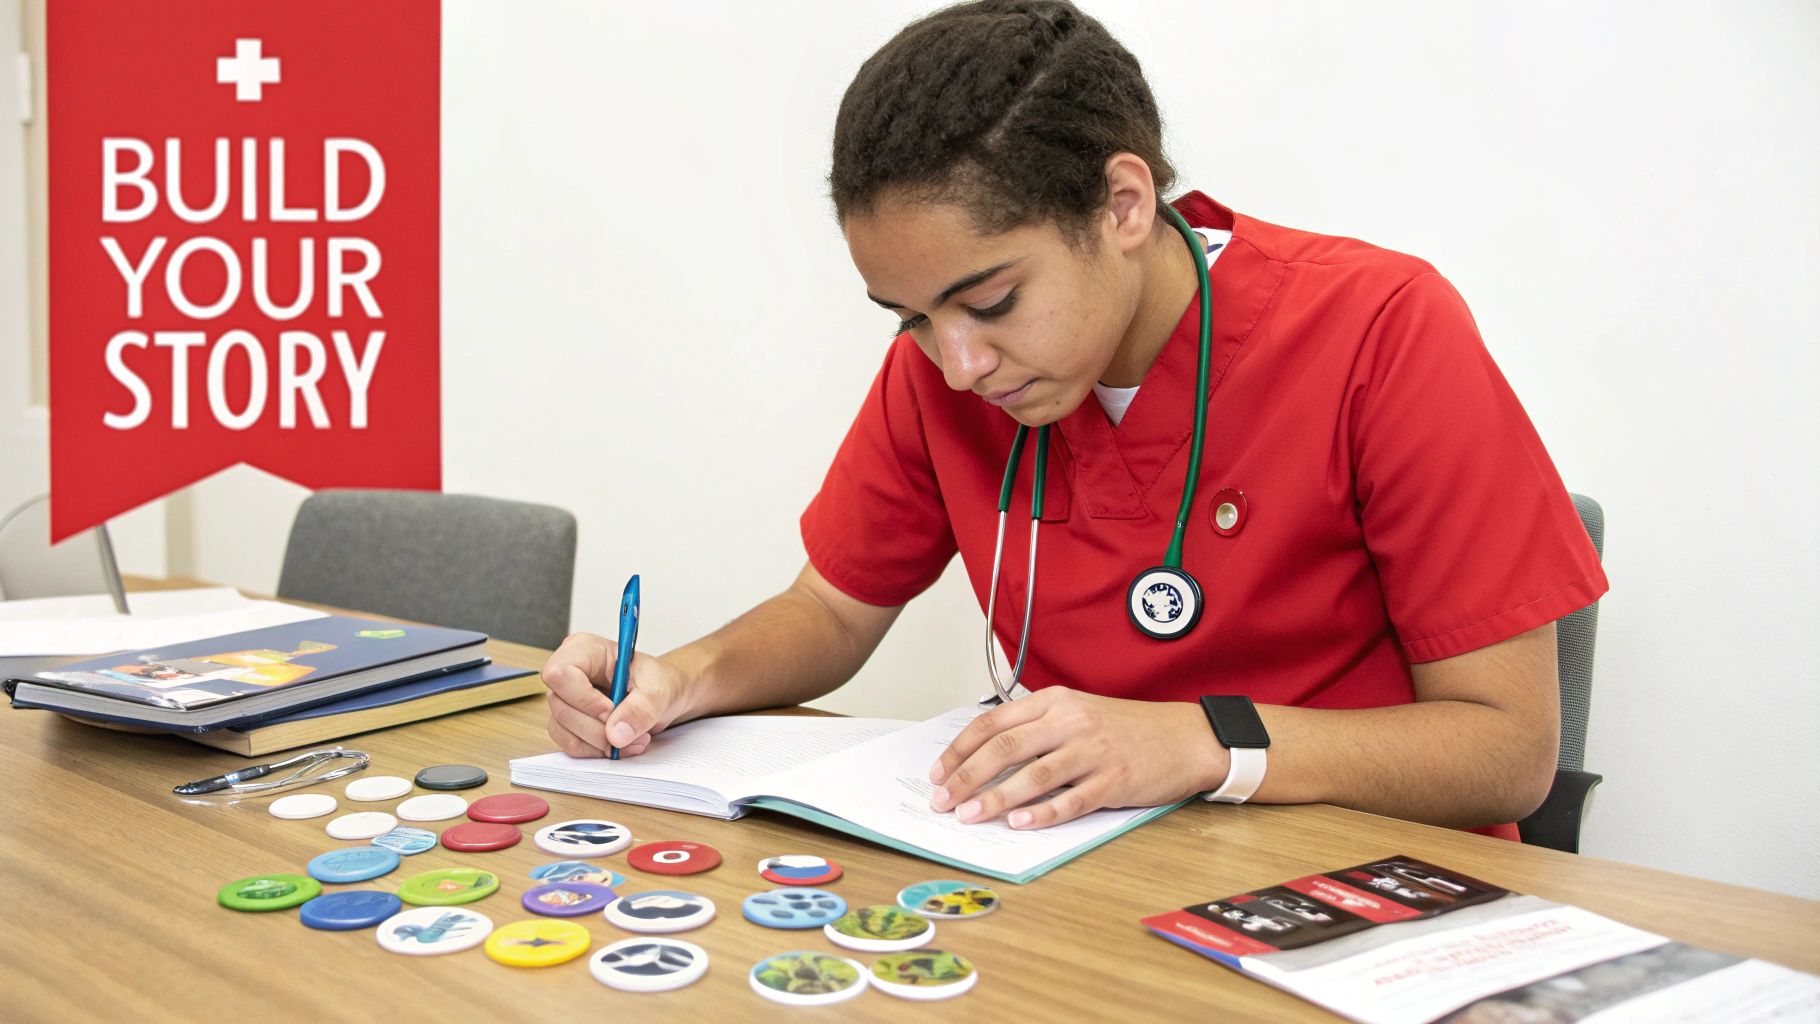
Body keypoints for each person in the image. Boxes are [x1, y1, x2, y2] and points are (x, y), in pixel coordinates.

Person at [541, 0, 1606, 840]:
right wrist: (678, 679)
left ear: (1124, 205)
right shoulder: (945, 373)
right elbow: (829, 608)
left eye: (992, 301)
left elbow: (1505, 751)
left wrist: (1198, 743)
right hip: (1086, 874)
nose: (958, 364)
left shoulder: (1379, 329)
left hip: (1360, 881)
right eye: (912, 318)